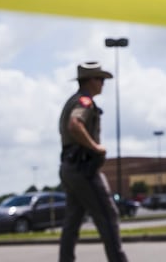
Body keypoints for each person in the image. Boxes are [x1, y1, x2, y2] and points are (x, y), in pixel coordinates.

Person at [59, 61, 128, 262]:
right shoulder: (84, 101)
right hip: (83, 167)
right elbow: (75, 125)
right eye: (100, 79)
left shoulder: (72, 100)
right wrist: (96, 147)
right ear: (89, 80)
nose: (103, 84)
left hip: (69, 166)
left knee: (72, 220)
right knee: (108, 215)